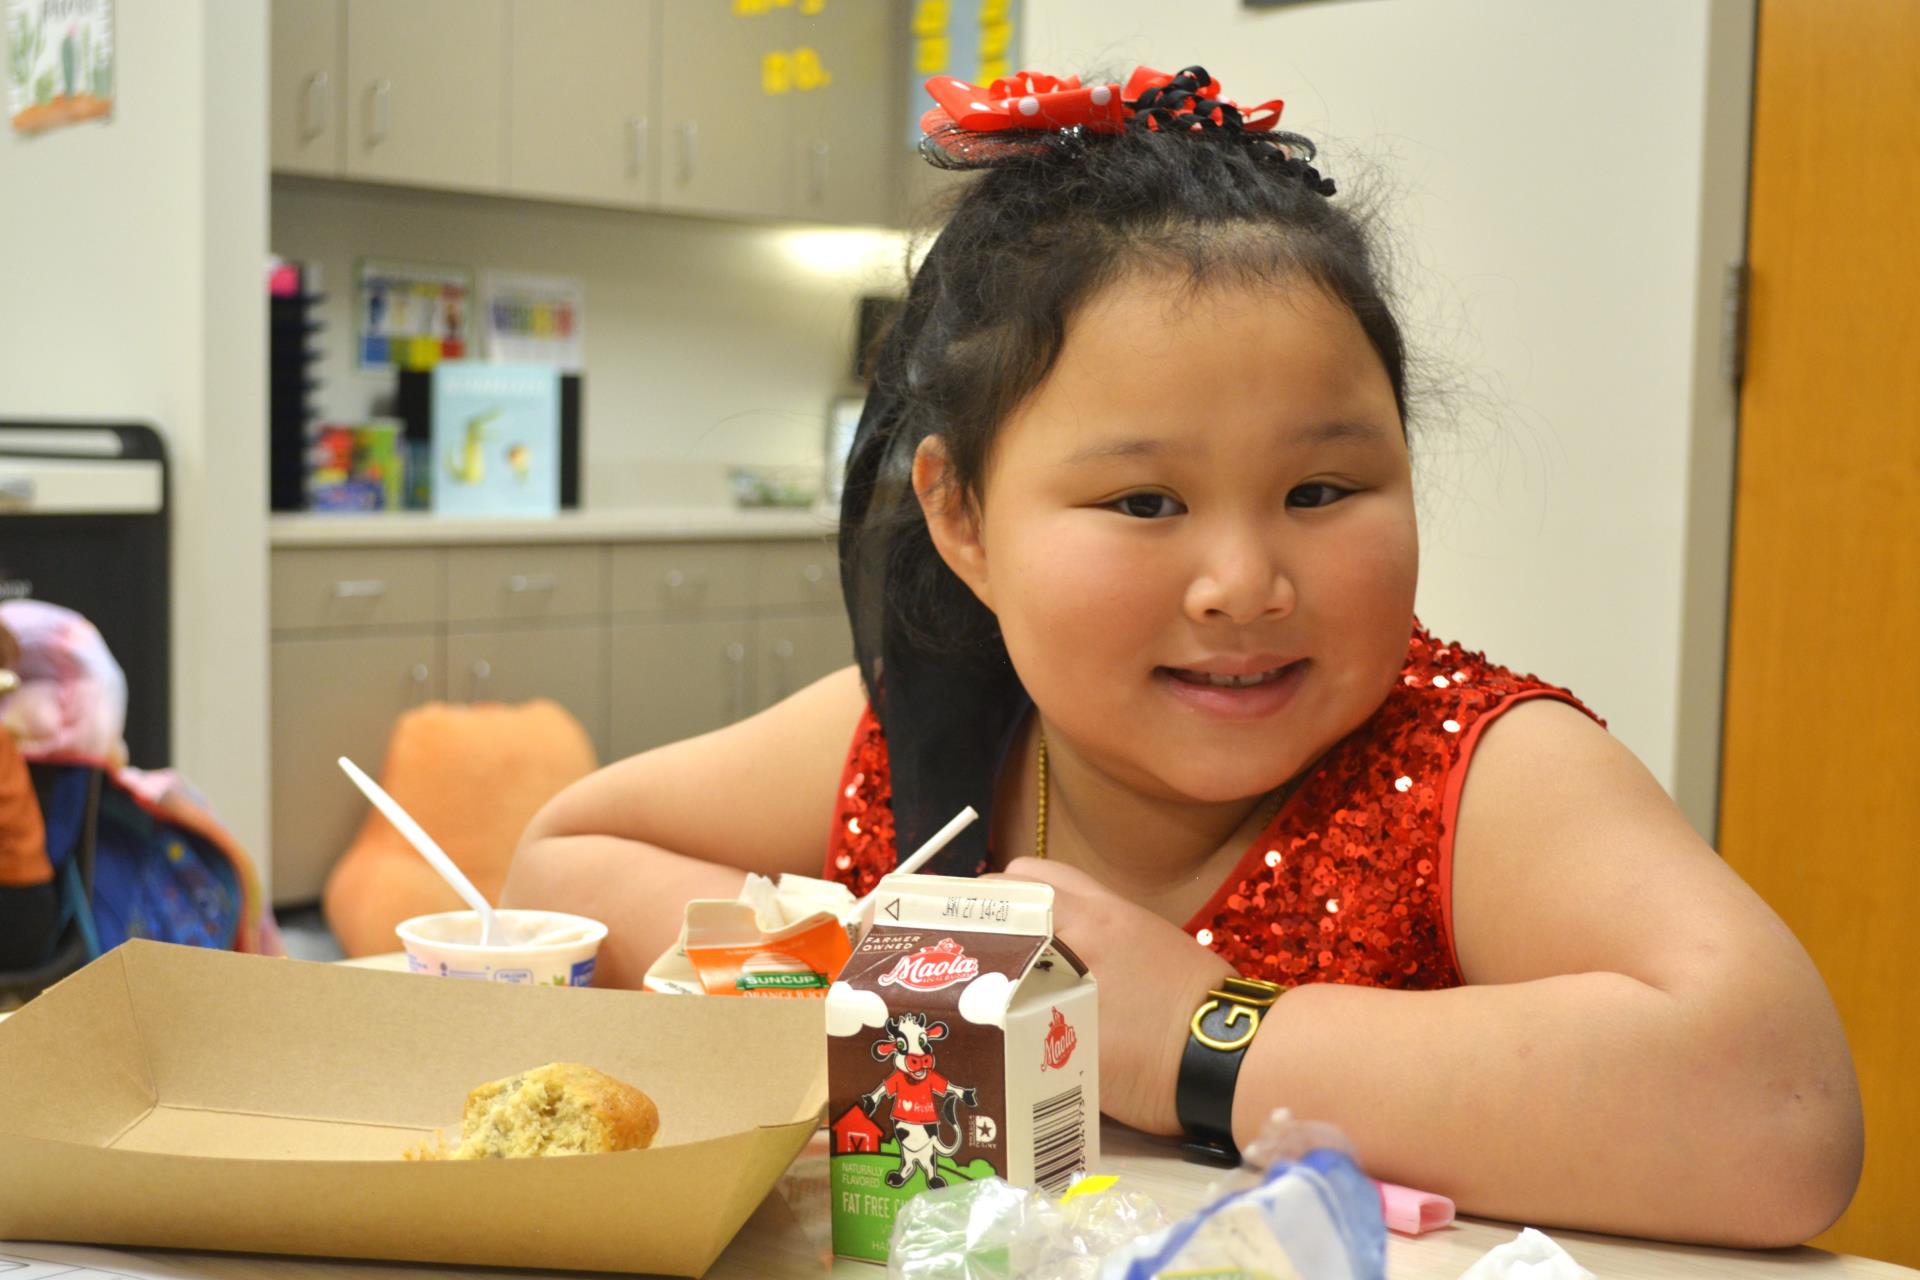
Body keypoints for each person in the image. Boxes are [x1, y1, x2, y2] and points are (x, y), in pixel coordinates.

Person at [504, 65, 1860, 1247]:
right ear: (961, 518)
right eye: (1146, 504)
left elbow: (1786, 1118)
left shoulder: (1471, 770)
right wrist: (866, 981)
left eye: (1323, 492)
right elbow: (558, 862)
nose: (1245, 584)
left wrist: (1199, 1037)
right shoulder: (928, 732)